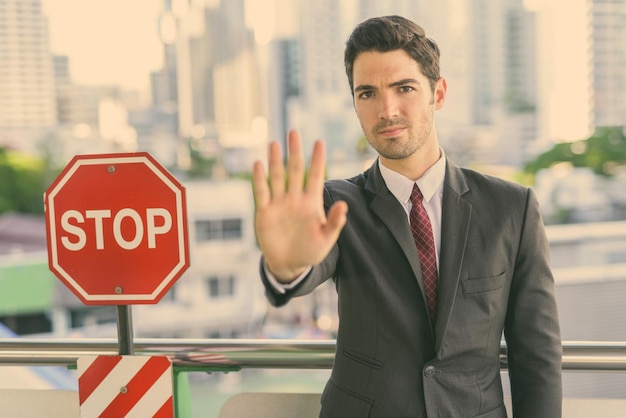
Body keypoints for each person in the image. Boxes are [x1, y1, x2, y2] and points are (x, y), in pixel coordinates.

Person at [252, 15, 562, 418]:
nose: (387, 109)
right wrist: (285, 266)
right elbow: (304, 268)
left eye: (404, 88)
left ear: (439, 92)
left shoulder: (511, 208)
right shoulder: (334, 204)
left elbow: (536, 353)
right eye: (367, 93)